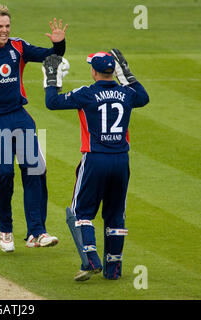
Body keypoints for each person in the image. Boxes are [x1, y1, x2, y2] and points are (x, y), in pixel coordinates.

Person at [0, 4, 68, 252]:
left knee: (34, 170)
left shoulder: (18, 47)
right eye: (0, 26)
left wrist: (59, 44)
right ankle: (5, 228)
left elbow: (50, 56)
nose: (5, 30)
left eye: (7, 26)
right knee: (6, 174)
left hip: (19, 117)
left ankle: (37, 232)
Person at [42, 50, 149, 280]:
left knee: (81, 212)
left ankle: (91, 261)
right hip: (121, 160)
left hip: (95, 158)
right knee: (115, 214)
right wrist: (126, 74)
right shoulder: (127, 93)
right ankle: (114, 269)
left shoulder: (87, 94)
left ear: (94, 71)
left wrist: (52, 78)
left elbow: (52, 102)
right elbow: (144, 97)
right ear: (113, 71)